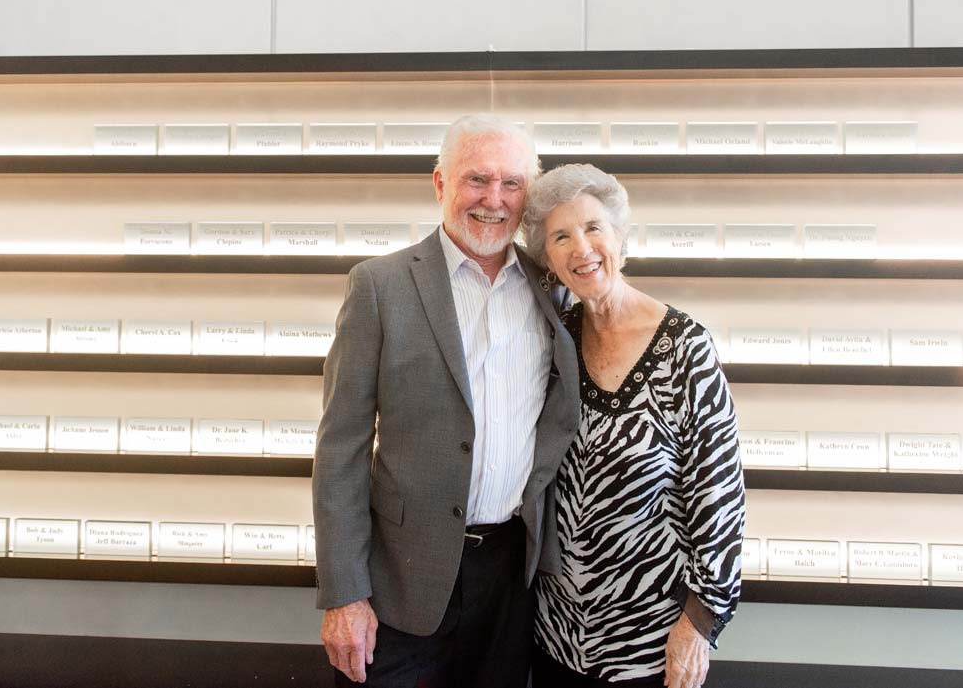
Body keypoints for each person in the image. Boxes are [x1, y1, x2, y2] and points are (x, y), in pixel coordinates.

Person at [312, 114, 580, 688]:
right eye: (477, 180)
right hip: (400, 581)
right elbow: (341, 449)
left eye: (511, 183)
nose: (494, 199)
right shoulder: (379, 287)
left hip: (512, 581)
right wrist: (344, 594)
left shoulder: (552, 287)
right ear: (440, 184)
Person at [520, 164, 745, 688]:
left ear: (620, 237)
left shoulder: (686, 348)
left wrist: (700, 624)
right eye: (561, 235)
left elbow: (720, 500)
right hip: (556, 634)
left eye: (594, 227)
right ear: (547, 260)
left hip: (651, 642)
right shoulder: (556, 341)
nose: (582, 247)